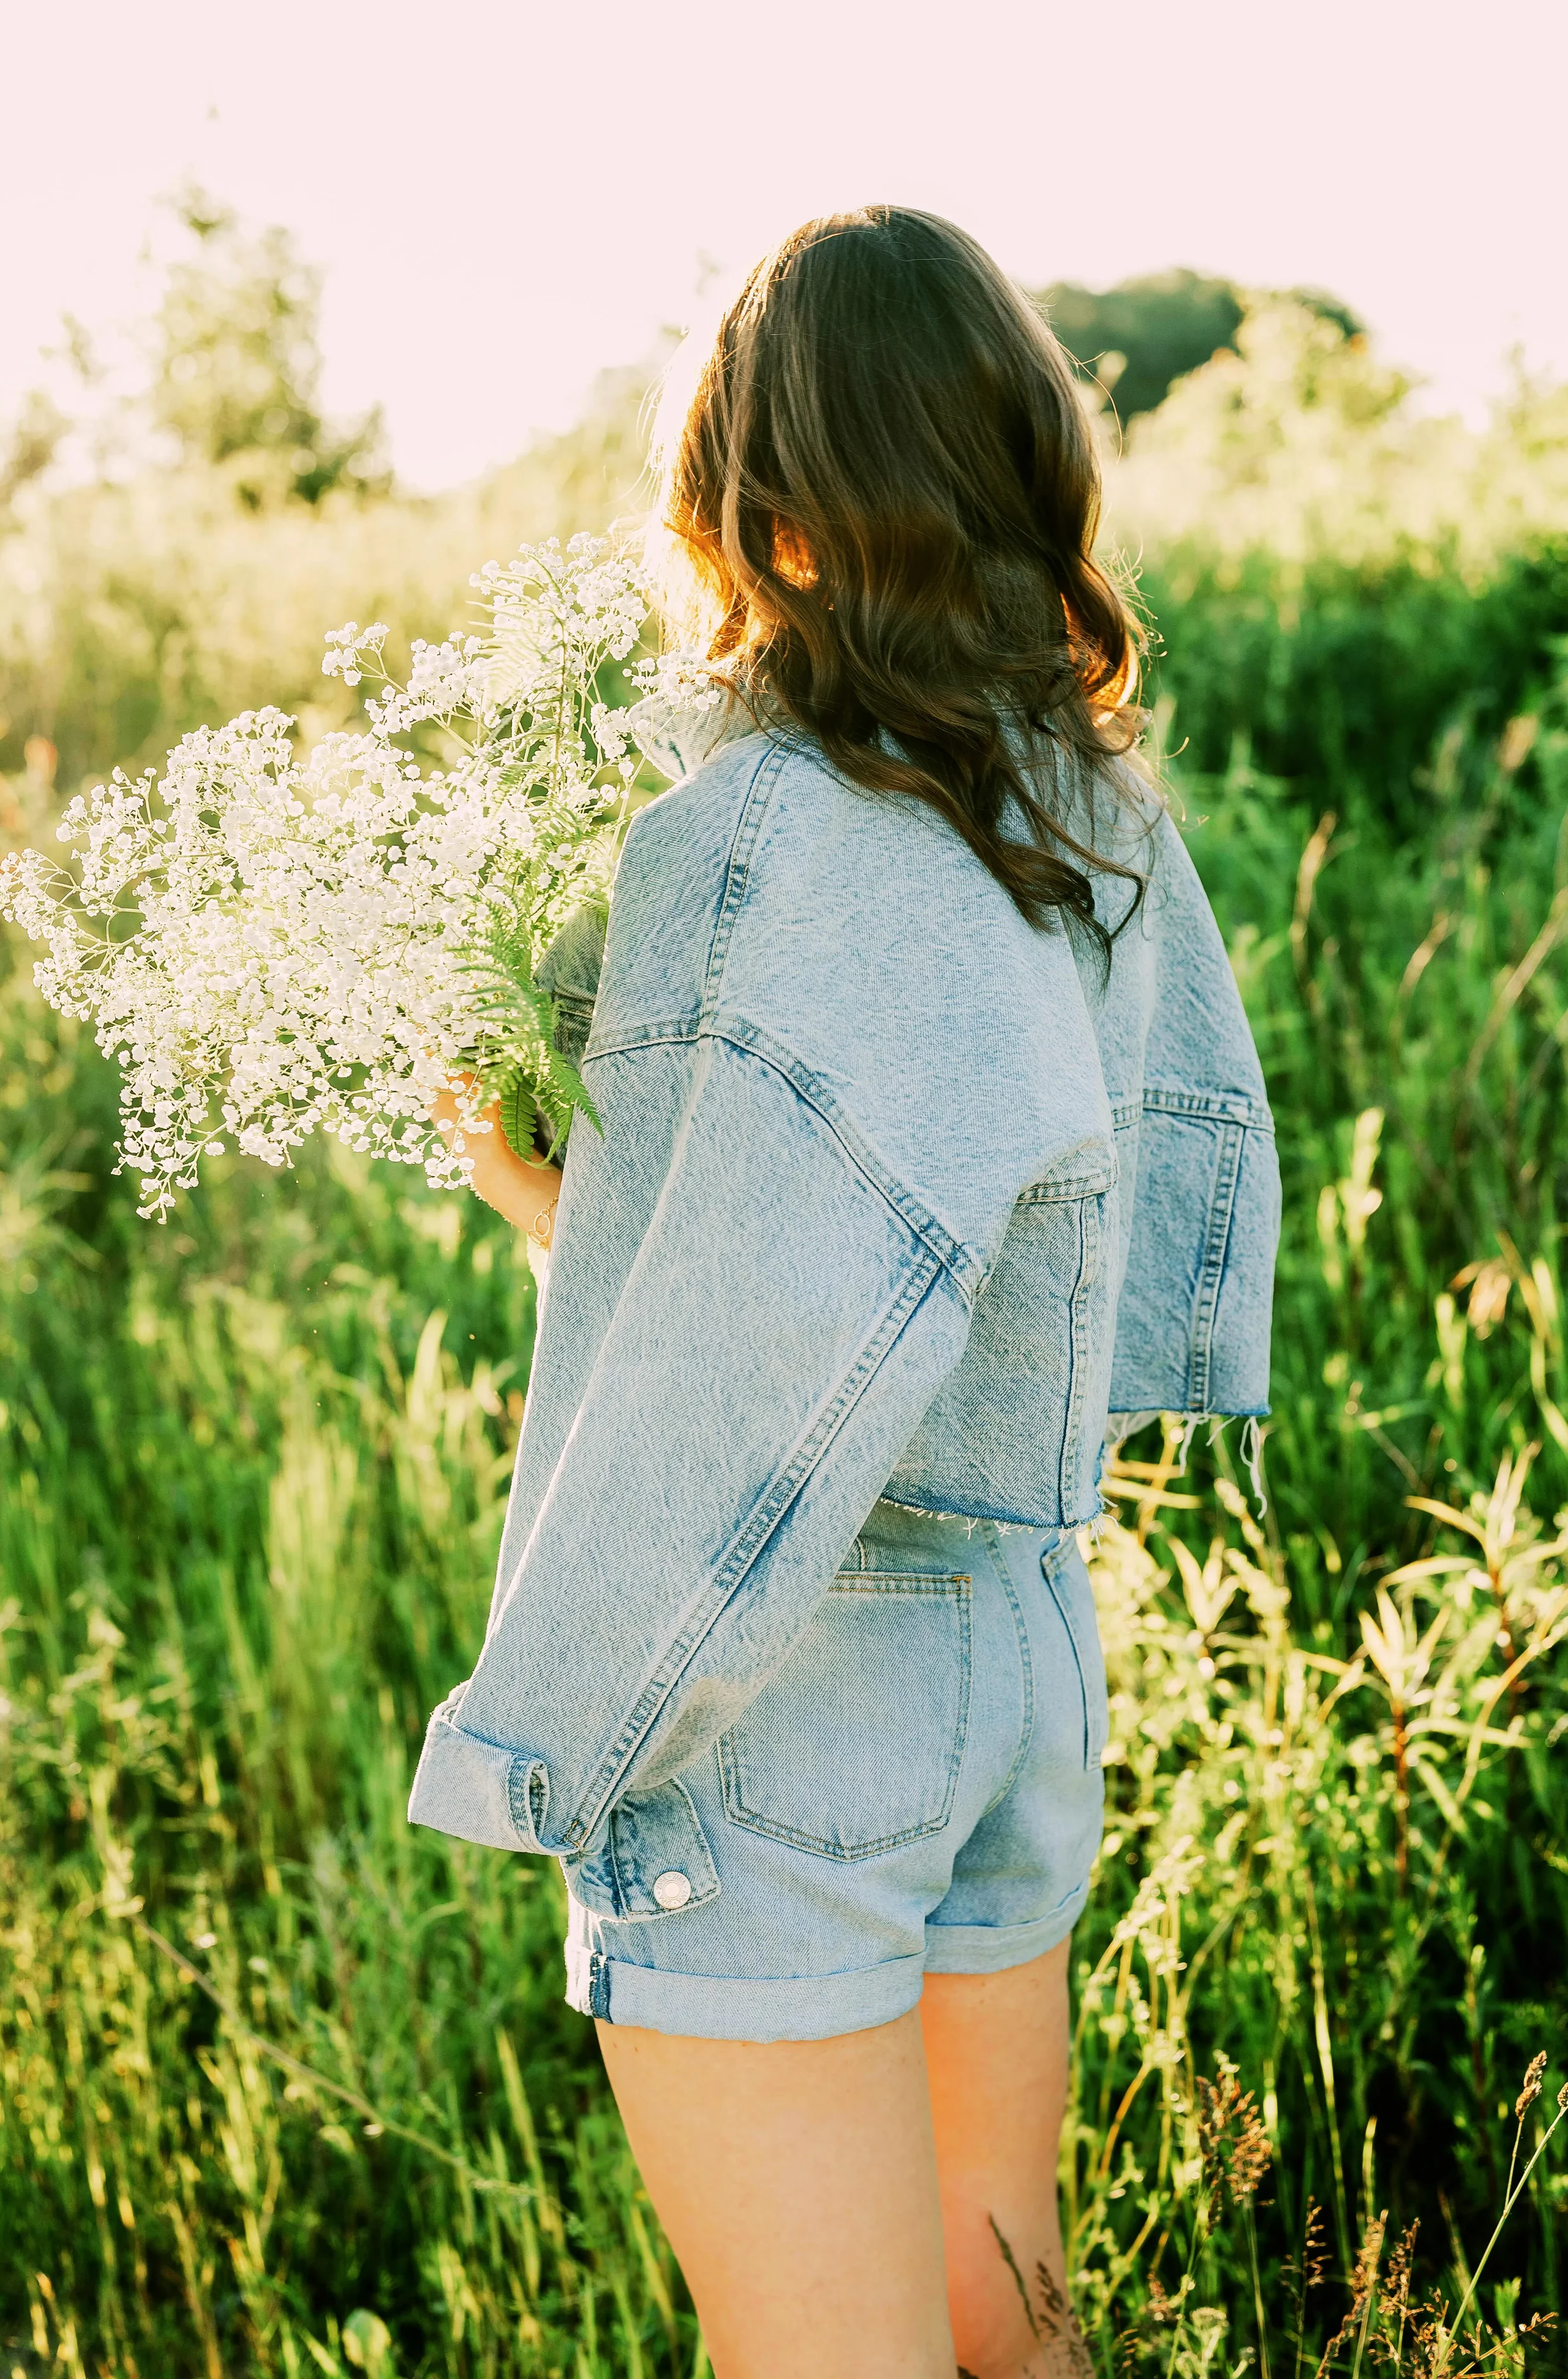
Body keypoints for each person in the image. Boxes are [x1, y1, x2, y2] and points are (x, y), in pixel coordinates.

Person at [413, 206, 1279, 2379]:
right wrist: (572, 1196)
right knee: (1010, 2325)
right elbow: (932, 1248)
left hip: (798, 1676)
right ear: (1011, 460)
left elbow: (755, 1353)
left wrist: (558, 1733)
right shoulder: (1082, 800)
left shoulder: (760, 828)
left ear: (752, 497)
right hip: (1013, 1630)